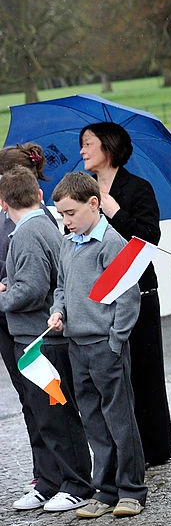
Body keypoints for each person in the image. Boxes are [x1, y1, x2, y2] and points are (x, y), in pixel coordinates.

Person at [48, 171, 146, 518]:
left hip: (106, 346)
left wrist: (116, 341)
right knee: (92, 420)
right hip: (77, 345)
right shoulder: (66, 242)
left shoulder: (111, 243)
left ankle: (132, 490)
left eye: (71, 213)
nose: (66, 220)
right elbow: (61, 287)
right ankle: (106, 490)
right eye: (61, 214)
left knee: (119, 419)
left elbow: (128, 297)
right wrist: (58, 311)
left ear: (94, 204)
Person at [79, 122, 171, 467]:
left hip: (138, 291)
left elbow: (149, 239)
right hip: (99, 295)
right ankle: (121, 447)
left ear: (108, 146)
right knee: (111, 376)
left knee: (145, 371)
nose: (82, 151)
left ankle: (155, 447)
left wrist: (114, 211)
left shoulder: (137, 188)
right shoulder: (83, 192)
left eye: (88, 144)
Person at [0, 166, 93, 513]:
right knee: (47, 414)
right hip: (39, 337)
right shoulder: (42, 225)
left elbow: (33, 289)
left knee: (56, 414)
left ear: (4, 202)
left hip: (40, 340)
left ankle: (76, 484)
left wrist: (5, 294)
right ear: (38, 195)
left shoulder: (27, 233)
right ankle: (52, 481)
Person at [0, 145, 56, 501]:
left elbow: (32, 280)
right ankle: (47, 472)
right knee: (29, 400)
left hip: (26, 320)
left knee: (44, 400)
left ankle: (54, 475)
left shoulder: (31, 222)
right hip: (10, 322)